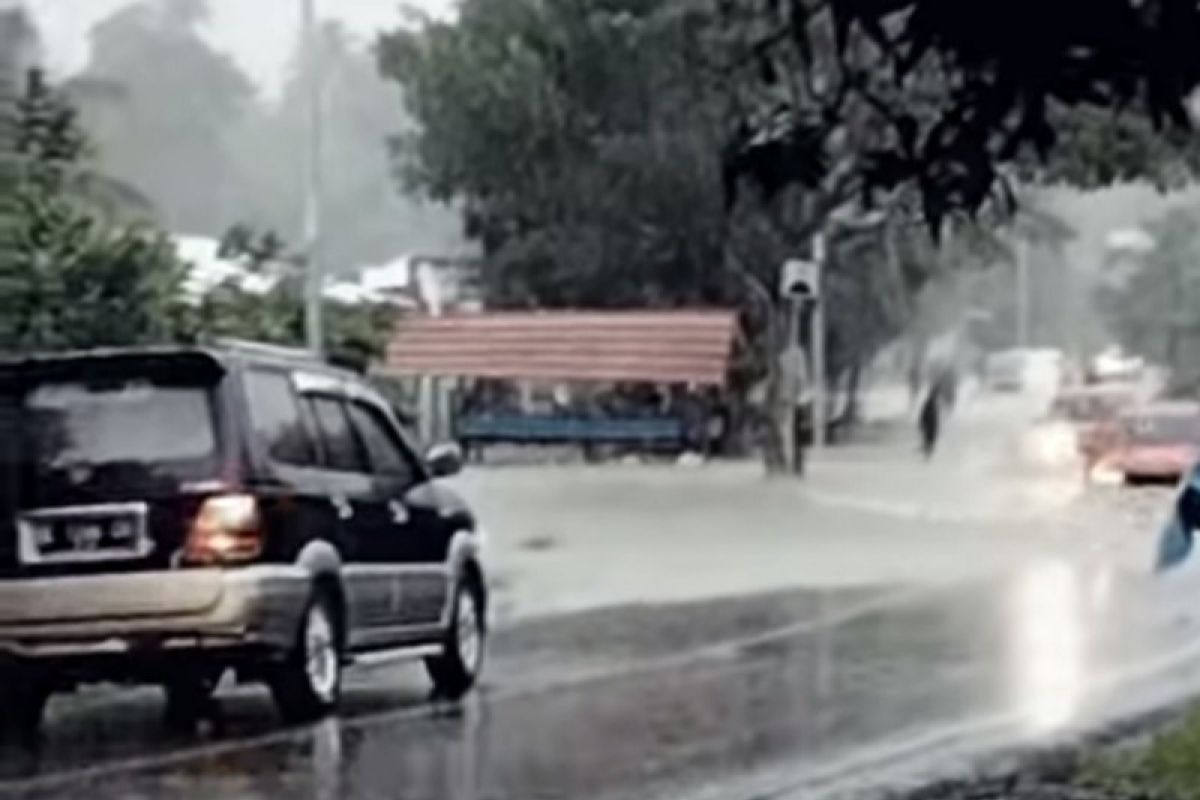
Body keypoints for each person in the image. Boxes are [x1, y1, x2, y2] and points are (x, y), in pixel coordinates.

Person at [918, 385, 942, 458]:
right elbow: (924, 414)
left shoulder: (933, 402)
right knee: (929, 441)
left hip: (931, 425)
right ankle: (927, 455)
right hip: (930, 425)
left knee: (930, 441)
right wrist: (922, 423)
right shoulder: (930, 402)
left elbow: (934, 416)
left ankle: (927, 454)